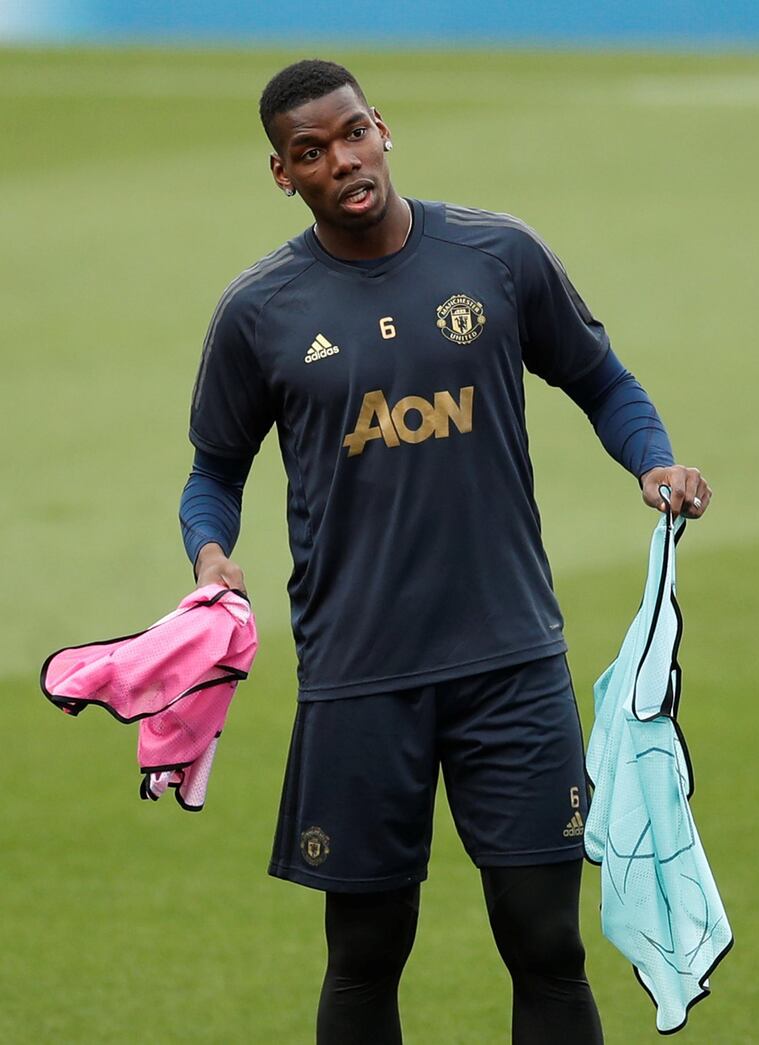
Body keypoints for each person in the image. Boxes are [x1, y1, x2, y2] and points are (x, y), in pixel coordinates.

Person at [179, 59, 711, 1045]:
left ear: (381, 127)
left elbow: (602, 380)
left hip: (509, 662)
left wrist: (652, 461)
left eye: (350, 134)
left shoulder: (496, 256)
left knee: (543, 940)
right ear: (281, 173)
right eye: (311, 151)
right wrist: (210, 556)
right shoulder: (259, 312)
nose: (341, 160)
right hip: (357, 675)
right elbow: (213, 470)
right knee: (366, 949)